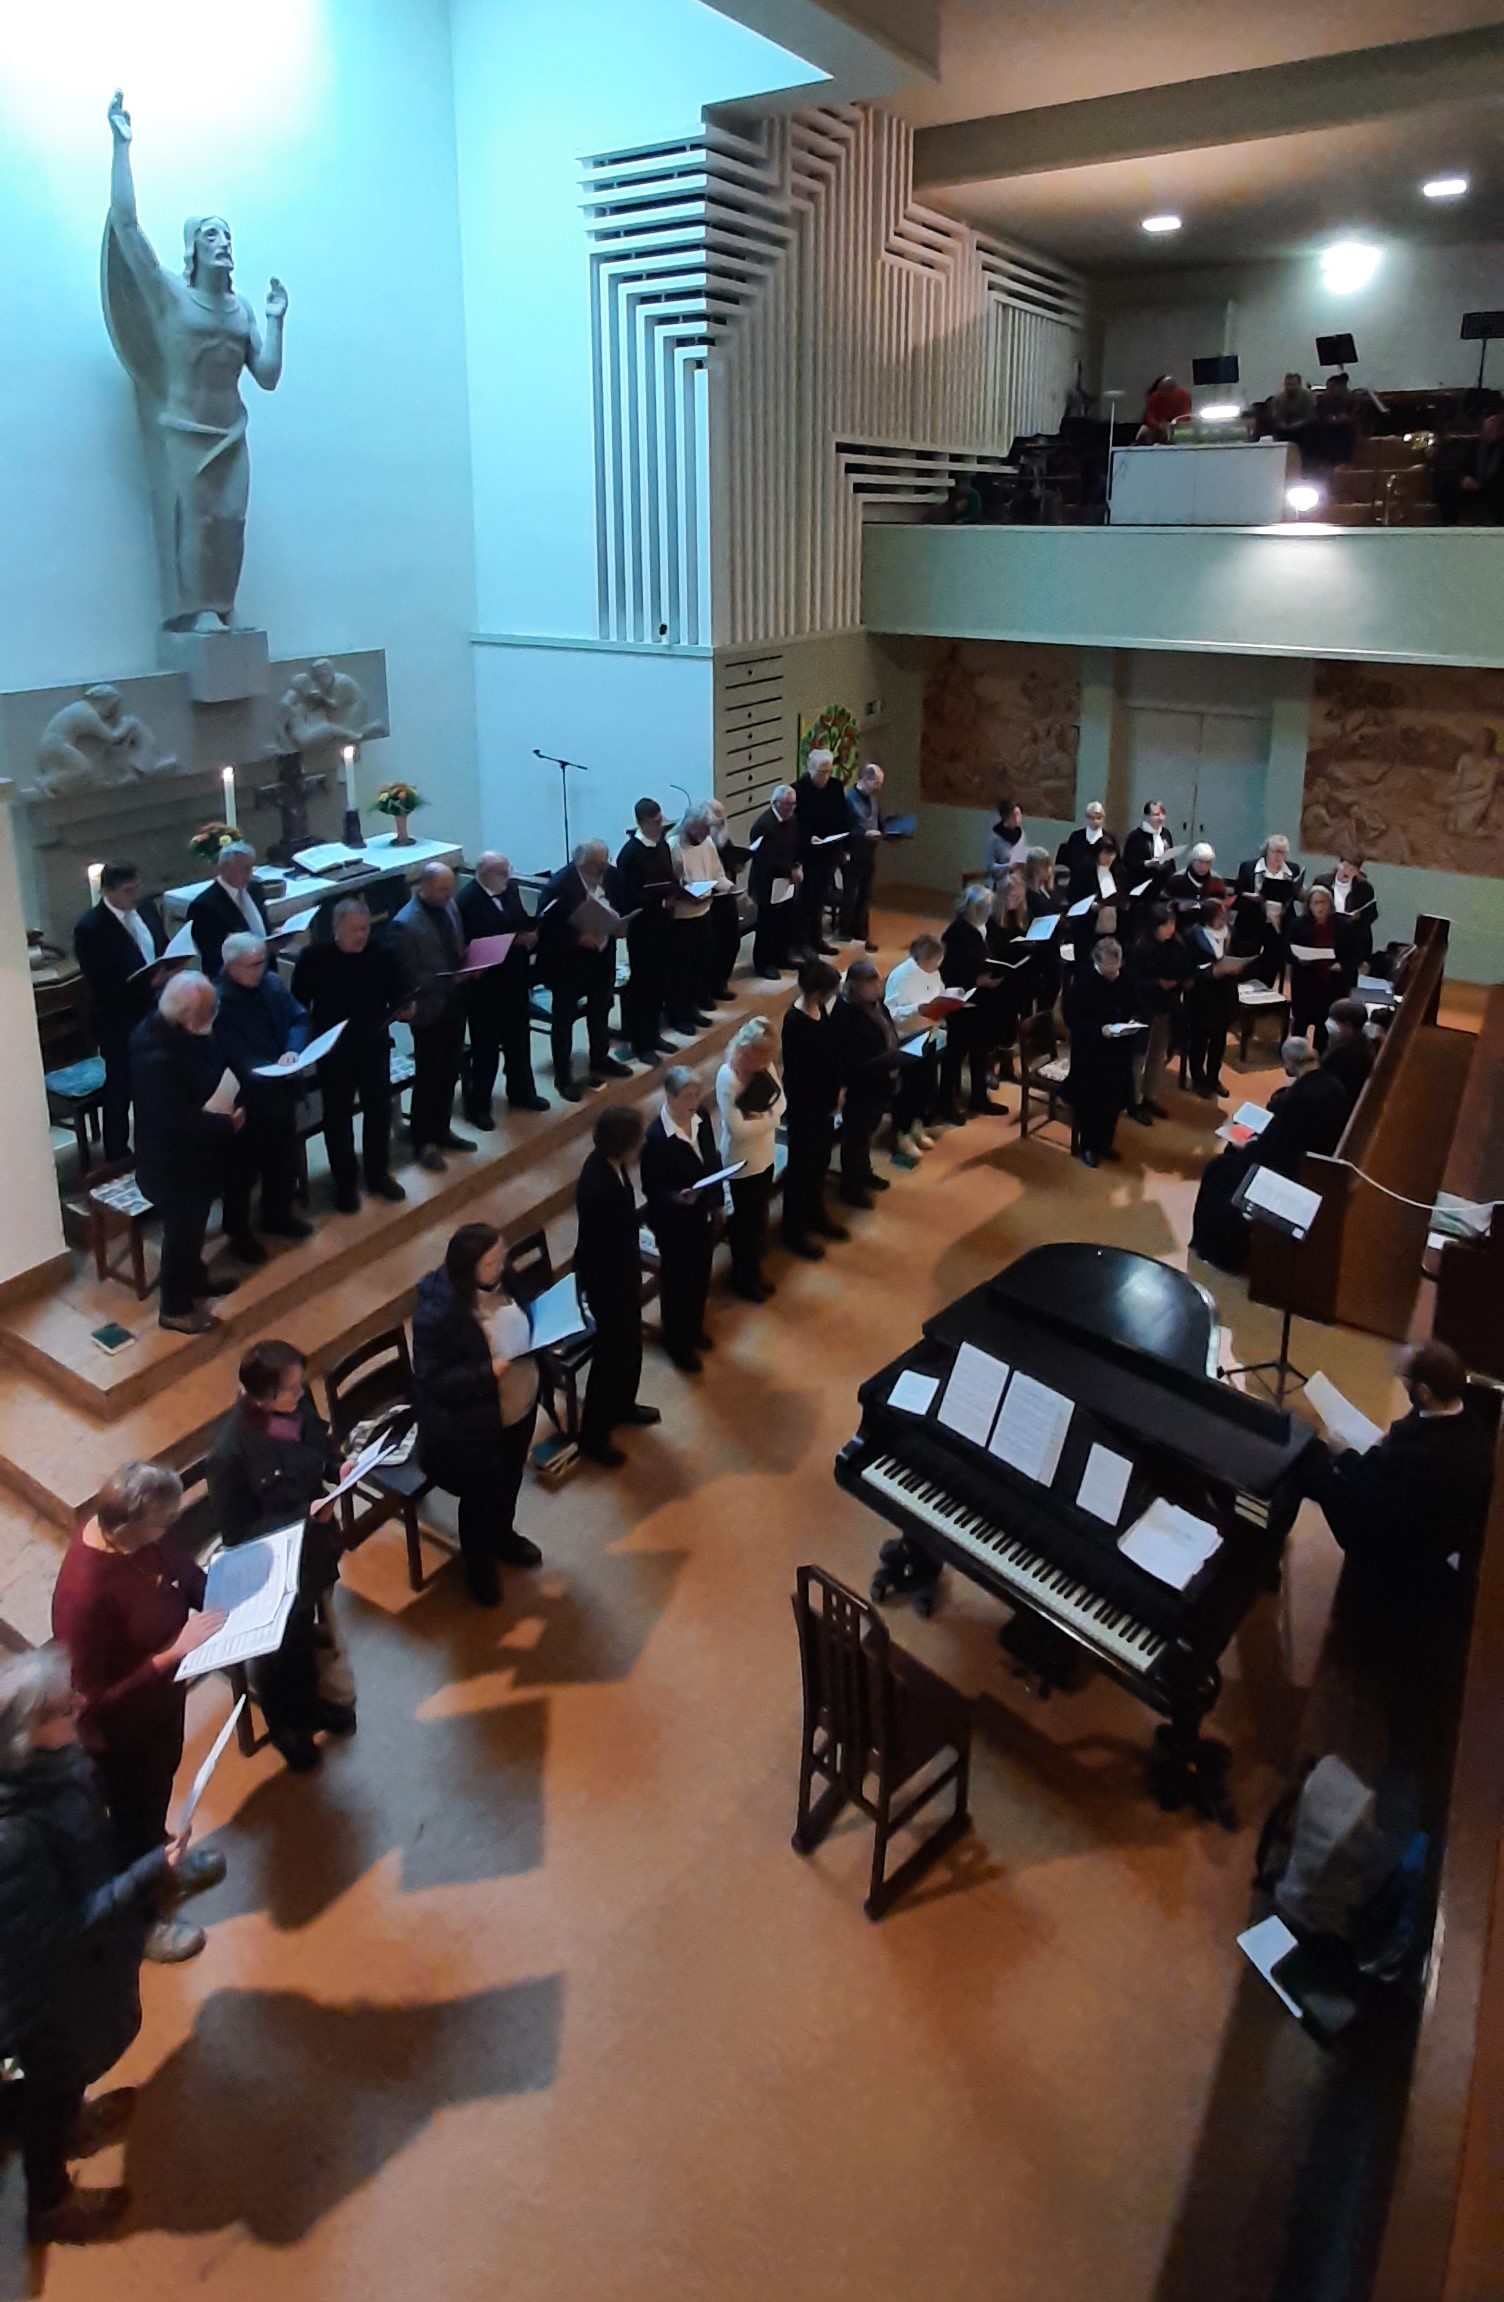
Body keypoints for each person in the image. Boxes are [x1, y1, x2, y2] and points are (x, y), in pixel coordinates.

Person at [0, 1646, 195, 2243]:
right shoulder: (13, 1837)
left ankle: (70, 2124)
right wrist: (145, 1877)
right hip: (41, 1998)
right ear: (27, 1734)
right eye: (66, 1706)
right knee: (50, 2088)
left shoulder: (53, 1766)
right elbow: (61, 1934)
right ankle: (49, 2203)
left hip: (73, 1979)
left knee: (66, 2080)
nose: (81, 1705)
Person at [51, 1463, 226, 1963]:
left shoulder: (142, 1538)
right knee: (131, 1823)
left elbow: (180, 1570)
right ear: (127, 1528)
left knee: (155, 1797)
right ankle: (143, 1923)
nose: (170, 1529)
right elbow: (90, 1700)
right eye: (163, 1523)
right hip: (120, 1735)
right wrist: (170, 1656)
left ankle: (162, 1858)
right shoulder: (84, 1592)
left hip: (160, 1705)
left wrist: (225, 1599)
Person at [1302, 1343, 1494, 1760]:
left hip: (1392, 1545)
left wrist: (1345, 1457)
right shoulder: (1470, 1426)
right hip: (1419, 1529)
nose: (1402, 1383)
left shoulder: (1427, 1456)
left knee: (1307, 1464)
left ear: (1422, 1392)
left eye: (1406, 1379)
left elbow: (1377, 1502)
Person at [207, 1340, 353, 1771]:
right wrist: (303, 1516)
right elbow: (238, 1535)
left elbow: (319, 1444)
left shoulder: (296, 1407)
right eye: (291, 1389)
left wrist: (338, 1468)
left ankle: (310, 1706)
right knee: (280, 1655)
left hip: (311, 1554)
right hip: (270, 1567)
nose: (301, 1393)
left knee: (305, 1637)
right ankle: (287, 1728)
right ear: (263, 1397)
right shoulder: (231, 1452)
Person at [411, 1224, 543, 1606]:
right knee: (480, 1499)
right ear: (467, 1268)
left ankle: (504, 1537)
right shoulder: (438, 1316)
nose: (502, 1266)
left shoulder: (503, 1278)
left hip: (520, 1405)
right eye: (491, 1262)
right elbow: (433, 1380)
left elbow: (523, 1307)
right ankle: (479, 1565)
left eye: (503, 1256)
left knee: (510, 1479)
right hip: (477, 1426)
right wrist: (486, 1373)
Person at [130, 971, 243, 1333]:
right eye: (206, 1012)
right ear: (185, 1014)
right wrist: (225, 1124)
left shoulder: (176, 1030)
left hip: (196, 1155)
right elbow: (175, 1120)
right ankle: (174, 1307)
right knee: (181, 1235)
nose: (211, 1018)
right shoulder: (154, 1055)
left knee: (194, 1229)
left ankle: (195, 1281)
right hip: (172, 1162)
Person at [291, 897, 409, 1213]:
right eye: (354, 929)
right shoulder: (314, 958)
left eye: (365, 929)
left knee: (378, 1110)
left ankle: (377, 1174)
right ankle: (344, 1184)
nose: (361, 936)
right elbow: (298, 1005)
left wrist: (404, 1007)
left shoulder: (381, 954)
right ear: (336, 928)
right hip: (334, 1052)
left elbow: (399, 992)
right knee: (337, 1118)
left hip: (373, 1045)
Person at [1190, 1038, 1347, 1270]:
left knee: (1218, 1169)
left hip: (1291, 1168)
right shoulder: (1334, 1085)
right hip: (1316, 1157)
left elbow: (1274, 1148)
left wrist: (1246, 1146)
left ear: (1290, 1064)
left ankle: (1216, 1249)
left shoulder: (1296, 1099)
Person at [212, 932, 313, 1263]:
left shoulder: (271, 983)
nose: (260, 970)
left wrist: (293, 1050)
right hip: (246, 1098)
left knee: (283, 1158)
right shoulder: (218, 1002)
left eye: (262, 962)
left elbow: (298, 1017)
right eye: (252, 965)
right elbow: (228, 1053)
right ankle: (238, 1231)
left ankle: (277, 1214)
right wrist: (263, 1070)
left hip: (281, 1089)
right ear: (230, 967)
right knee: (242, 1171)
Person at [574, 1105, 660, 1466]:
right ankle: (594, 1435)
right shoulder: (598, 1185)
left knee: (629, 1347)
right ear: (621, 1146)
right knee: (611, 1355)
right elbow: (610, 1237)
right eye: (637, 1141)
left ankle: (623, 1405)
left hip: (621, 1272)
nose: (641, 1146)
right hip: (607, 1281)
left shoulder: (610, 1165)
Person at [72, 861, 167, 1161]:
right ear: (108, 891)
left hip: (157, 1009)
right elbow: (102, 983)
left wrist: (170, 967)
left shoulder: (146, 909)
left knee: (158, 1079)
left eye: (137, 887)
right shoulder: (91, 928)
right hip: (119, 1020)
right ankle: (116, 1151)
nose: (135, 895)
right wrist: (148, 982)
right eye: (128, 891)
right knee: (121, 1086)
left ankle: (156, 1141)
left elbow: (161, 945)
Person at [535, 838, 633, 1101]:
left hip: (602, 956)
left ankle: (600, 1058)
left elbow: (619, 905)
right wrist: (577, 939)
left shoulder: (610, 875)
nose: (603, 870)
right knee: (564, 1019)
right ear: (580, 863)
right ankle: (563, 1076)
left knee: (601, 1008)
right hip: (569, 964)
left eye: (605, 863)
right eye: (597, 866)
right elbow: (545, 931)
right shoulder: (559, 886)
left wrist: (621, 926)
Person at [457, 853, 547, 1124]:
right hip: (486, 988)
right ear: (485, 874)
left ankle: (522, 1092)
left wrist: (530, 932)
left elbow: (516, 920)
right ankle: (479, 1106)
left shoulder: (509, 889)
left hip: (514, 980)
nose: (509, 877)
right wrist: (511, 941)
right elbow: (468, 942)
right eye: (503, 873)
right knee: (486, 1051)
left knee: (518, 1042)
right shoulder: (467, 901)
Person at [394, 863, 474, 1171]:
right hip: (429, 1009)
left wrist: (470, 965)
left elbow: (457, 945)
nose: (448, 895)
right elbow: (408, 977)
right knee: (429, 1076)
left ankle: (442, 1128)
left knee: (450, 1070)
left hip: (455, 1002)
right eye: (442, 890)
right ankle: (422, 1140)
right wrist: (449, 979)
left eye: (450, 888)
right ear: (423, 887)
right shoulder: (405, 924)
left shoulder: (449, 905)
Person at [641, 1069, 720, 1371]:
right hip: (673, 1224)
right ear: (670, 1097)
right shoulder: (656, 1138)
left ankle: (694, 1329)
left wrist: (716, 1202)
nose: (693, 1102)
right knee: (677, 1284)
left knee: (700, 1275)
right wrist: (675, 1198)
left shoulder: (701, 1117)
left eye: (696, 1095)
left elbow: (711, 1159)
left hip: (701, 1213)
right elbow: (651, 1188)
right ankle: (677, 1344)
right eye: (687, 1096)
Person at [780, 958, 848, 1256]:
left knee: (820, 1162)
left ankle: (816, 1215)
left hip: (825, 1103)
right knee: (800, 1169)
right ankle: (794, 1231)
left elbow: (831, 1053)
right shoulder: (796, 1022)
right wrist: (830, 1095)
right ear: (819, 991)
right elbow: (803, 1073)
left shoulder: (820, 1009)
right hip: (806, 1106)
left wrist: (839, 1089)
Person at [715, 1019, 784, 1299]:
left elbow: (781, 1103)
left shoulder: (764, 1066)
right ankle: (742, 1278)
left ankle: (755, 1271)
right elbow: (738, 1129)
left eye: (768, 1057)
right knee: (743, 1224)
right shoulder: (728, 1076)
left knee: (758, 1219)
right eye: (759, 1057)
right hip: (741, 1160)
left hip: (764, 1154)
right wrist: (771, 1120)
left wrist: (765, 1118)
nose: (764, 1064)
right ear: (745, 1049)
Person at [616, 798, 681, 1060]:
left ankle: (654, 1034)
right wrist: (659, 902)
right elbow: (627, 896)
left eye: (661, 820)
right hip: (642, 930)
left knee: (660, 982)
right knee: (642, 986)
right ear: (642, 822)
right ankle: (640, 1043)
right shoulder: (630, 854)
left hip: (664, 925)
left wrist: (675, 892)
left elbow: (669, 877)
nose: (659, 825)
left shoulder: (662, 845)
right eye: (655, 822)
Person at [1065, 937, 1138, 1166]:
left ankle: (1105, 1143)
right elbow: (1072, 1018)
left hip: (1118, 1051)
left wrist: (1132, 1022)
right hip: (1090, 1052)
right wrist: (1099, 1030)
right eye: (1109, 965)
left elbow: (1136, 1005)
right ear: (1097, 961)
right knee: (1090, 1101)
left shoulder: (1125, 978)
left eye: (1117, 964)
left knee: (1113, 1100)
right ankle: (1087, 1146)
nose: (1114, 969)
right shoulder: (1082, 981)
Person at [833, 960, 898, 1206]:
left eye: (876, 983)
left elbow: (889, 1030)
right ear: (854, 986)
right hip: (861, 1086)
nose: (876, 988)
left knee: (868, 1132)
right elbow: (848, 1055)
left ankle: (864, 1172)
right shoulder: (845, 1013)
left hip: (881, 1081)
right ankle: (851, 1187)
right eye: (869, 984)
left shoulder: (877, 1004)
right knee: (855, 1138)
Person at [940, 887, 1006, 1120]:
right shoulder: (956, 933)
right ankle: (946, 1104)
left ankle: (979, 1097)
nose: (987, 912)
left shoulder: (985, 927)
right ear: (969, 907)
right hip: (963, 1001)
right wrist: (975, 980)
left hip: (983, 1000)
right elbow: (948, 971)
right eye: (982, 908)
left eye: (988, 908)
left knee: (980, 1050)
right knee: (955, 1054)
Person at [1125, 902, 1190, 1123]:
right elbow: (1132, 982)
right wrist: (1157, 983)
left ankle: (1149, 1096)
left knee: (1157, 1055)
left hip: (1165, 1007)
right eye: (1166, 925)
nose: (1171, 929)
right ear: (1154, 926)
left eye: (1172, 923)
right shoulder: (1140, 949)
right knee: (1138, 1057)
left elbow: (1185, 969)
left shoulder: (1177, 946)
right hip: (1143, 1008)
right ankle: (1133, 1102)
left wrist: (1181, 981)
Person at [884, 934, 947, 1158]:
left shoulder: (933, 972)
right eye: (935, 961)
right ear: (922, 958)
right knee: (908, 1089)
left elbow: (939, 993)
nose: (937, 966)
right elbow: (891, 1012)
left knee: (925, 1086)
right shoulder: (902, 976)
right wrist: (918, 1009)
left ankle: (917, 1126)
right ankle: (902, 1134)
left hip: (928, 1035)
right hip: (908, 1039)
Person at [670, 805, 725, 1030]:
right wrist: (687, 894)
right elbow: (672, 882)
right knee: (681, 969)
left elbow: (717, 872)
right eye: (702, 829)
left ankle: (692, 1008)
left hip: (704, 911)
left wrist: (725, 887)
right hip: (681, 918)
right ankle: (678, 1015)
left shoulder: (707, 843)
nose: (706, 834)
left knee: (700, 964)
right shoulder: (673, 846)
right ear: (688, 826)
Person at [1182, 896, 1242, 1096]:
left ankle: (1213, 1078)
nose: (1224, 918)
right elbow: (1187, 968)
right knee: (1199, 1040)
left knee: (1218, 1040)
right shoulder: (1193, 936)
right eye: (1220, 915)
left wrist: (1236, 968)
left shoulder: (1230, 933)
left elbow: (1236, 957)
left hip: (1224, 995)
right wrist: (1208, 972)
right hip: (1201, 996)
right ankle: (1198, 1079)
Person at [1285, 884, 1358, 1045]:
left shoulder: (1343, 925)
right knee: (1300, 1022)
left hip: (1332, 982)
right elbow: (1287, 951)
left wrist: (1342, 965)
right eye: (1315, 903)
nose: (1319, 907)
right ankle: (1295, 1053)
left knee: (1324, 1026)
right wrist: (1299, 959)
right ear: (1308, 905)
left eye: (1322, 902)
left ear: (1329, 904)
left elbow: (1354, 954)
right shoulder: (1298, 924)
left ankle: (1320, 1054)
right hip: (1305, 982)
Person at [794, 747, 849, 957]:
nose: (824, 776)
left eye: (828, 771)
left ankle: (816, 939)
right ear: (809, 768)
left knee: (820, 898)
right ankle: (801, 941)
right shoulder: (799, 789)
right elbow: (796, 823)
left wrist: (842, 846)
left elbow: (841, 817)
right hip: (807, 853)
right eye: (820, 771)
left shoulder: (835, 787)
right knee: (805, 900)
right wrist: (809, 838)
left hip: (828, 851)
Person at [187, 840, 267, 978]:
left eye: (251, 868)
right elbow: (213, 956)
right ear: (226, 868)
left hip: (265, 970)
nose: (250, 875)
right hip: (232, 979)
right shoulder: (204, 906)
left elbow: (263, 927)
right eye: (245, 869)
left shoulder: (255, 890)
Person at [748, 785, 803, 979]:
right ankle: (763, 963)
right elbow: (764, 858)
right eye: (787, 804)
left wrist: (797, 866)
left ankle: (781, 957)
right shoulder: (763, 825)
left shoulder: (791, 820)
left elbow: (795, 846)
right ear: (775, 803)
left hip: (785, 881)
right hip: (766, 883)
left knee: (785, 920)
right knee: (767, 924)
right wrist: (790, 870)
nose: (791, 808)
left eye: (793, 804)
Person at [704, 799, 749, 998]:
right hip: (710, 898)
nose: (720, 824)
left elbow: (728, 858)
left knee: (731, 940)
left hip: (726, 894)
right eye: (716, 821)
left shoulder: (723, 838)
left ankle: (722, 981)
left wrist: (738, 865)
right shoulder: (703, 841)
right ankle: (710, 986)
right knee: (712, 945)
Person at [843, 763, 886, 947]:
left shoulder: (873, 800)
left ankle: (861, 931)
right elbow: (844, 829)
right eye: (877, 783)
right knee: (851, 894)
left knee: (865, 894)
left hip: (869, 853)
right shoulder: (849, 800)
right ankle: (846, 931)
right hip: (853, 853)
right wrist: (864, 834)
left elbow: (879, 821)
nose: (879, 787)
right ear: (866, 780)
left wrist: (888, 832)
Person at [1234, 833, 1304, 945]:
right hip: (1253, 923)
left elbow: (1295, 895)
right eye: (1275, 851)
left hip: (1281, 925)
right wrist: (1251, 897)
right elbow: (1238, 894)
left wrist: (1300, 892)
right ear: (1266, 850)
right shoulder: (1248, 867)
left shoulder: (1293, 869)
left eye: (1283, 852)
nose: (1278, 856)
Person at [1312, 851, 1378, 967]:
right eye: (1345, 866)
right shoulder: (1322, 882)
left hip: (1350, 938)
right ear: (1339, 864)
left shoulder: (1364, 889)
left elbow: (1370, 916)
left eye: (1352, 869)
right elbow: (1311, 906)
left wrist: (1357, 917)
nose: (1347, 871)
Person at [1322, 996, 1374, 1106]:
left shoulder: (1353, 1055)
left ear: (1348, 1026)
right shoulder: (1345, 1042)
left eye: (1335, 1022)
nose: (1330, 1025)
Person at [1055, 800, 1111, 899]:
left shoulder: (1109, 840)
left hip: (1100, 886)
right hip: (1078, 886)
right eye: (1091, 817)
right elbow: (1072, 860)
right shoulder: (1076, 837)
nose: (1095, 821)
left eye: (1098, 817)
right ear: (1086, 818)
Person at [1460, 408, 1504, 525]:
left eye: (1495, 425)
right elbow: (1461, 468)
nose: (1492, 428)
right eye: (1489, 425)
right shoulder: (1473, 446)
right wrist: (1464, 478)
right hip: (1475, 493)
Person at [1122, 800, 1176, 887]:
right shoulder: (1136, 836)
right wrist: (1147, 864)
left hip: (1163, 883)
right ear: (1146, 816)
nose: (1161, 818)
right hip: (1143, 883)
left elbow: (1171, 861)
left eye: (1163, 814)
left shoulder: (1166, 833)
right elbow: (1128, 862)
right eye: (1156, 815)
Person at [1167, 842, 1226, 912]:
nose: (1203, 866)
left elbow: (1223, 906)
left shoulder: (1217, 882)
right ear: (1192, 861)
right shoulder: (1177, 880)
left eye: (1207, 862)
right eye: (1200, 862)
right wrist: (1177, 906)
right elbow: (1165, 904)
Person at [985, 800, 1027, 887]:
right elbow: (989, 866)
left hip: (1017, 882)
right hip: (999, 884)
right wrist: (1008, 866)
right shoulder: (995, 837)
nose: (1017, 818)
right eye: (1013, 815)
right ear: (1005, 817)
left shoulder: (1021, 834)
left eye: (1019, 815)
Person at [1139, 373, 1192, 441]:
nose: (1161, 393)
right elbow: (1150, 416)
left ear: (1172, 390)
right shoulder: (1154, 396)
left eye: (1164, 391)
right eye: (1160, 390)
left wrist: (1174, 424)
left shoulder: (1184, 395)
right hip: (1158, 424)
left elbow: (1185, 415)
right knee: (1144, 430)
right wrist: (1157, 425)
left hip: (1176, 425)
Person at [1268, 372, 1315, 438]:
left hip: (1303, 428)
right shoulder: (1278, 399)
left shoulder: (1307, 397)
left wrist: (1296, 425)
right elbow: (1277, 416)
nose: (1290, 387)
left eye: (1293, 385)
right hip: (1284, 429)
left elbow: (1310, 416)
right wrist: (1282, 423)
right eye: (1288, 384)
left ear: (1299, 385)